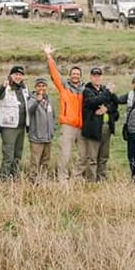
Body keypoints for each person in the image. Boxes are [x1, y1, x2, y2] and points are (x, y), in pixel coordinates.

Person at [44, 45, 84, 180]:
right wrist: (49, 57)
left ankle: (77, 178)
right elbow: (55, 74)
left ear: (80, 76)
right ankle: (62, 179)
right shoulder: (64, 87)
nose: (75, 76)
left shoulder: (85, 90)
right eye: (73, 74)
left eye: (78, 74)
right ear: (70, 75)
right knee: (65, 154)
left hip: (82, 126)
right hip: (68, 125)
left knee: (83, 155)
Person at [80, 67, 115, 182]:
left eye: (99, 75)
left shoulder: (104, 89)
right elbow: (94, 102)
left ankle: (102, 180)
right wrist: (108, 92)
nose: (97, 78)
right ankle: (91, 182)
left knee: (103, 157)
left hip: (106, 126)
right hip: (93, 128)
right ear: (91, 77)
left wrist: (107, 109)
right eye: (95, 76)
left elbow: (114, 105)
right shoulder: (87, 90)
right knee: (92, 158)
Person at [0, 65, 30, 180]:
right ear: (11, 75)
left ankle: (14, 177)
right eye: (16, 74)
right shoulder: (5, 87)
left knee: (17, 154)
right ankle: (4, 179)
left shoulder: (24, 88)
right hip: (9, 127)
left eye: (20, 75)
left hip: (21, 126)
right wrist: (2, 87)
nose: (18, 77)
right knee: (8, 155)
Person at [25, 77, 56, 180]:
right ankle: (33, 180)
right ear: (35, 87)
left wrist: (52, 130)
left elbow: (53, 116)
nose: (41, 88)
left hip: (47, 136)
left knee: (45, 160)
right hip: (36, 137)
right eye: (39, 86)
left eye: (43, 86)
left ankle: (43, 179)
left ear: (46, 87)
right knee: (35, 161)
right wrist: (37, 101)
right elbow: (30, 110)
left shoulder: (49, 99)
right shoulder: (31, 99)